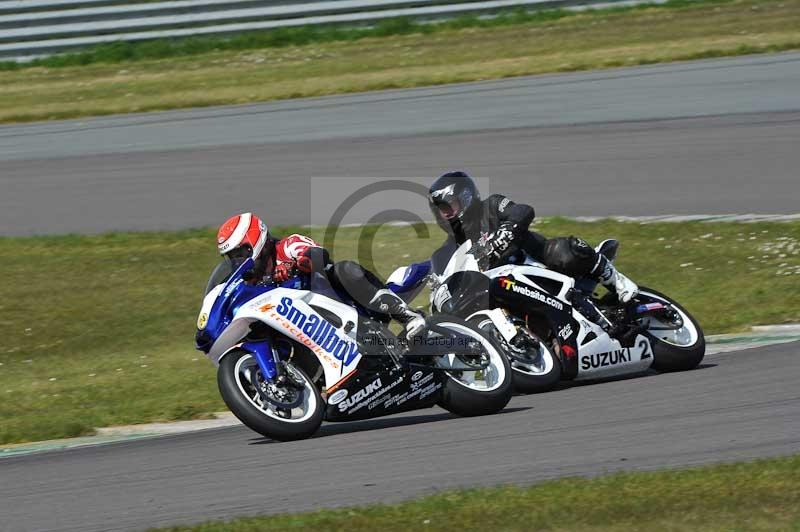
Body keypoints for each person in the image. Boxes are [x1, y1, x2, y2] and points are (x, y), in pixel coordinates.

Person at [427, 171, 639, 316]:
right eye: (440, 210)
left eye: (448, 207)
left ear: (466, 198)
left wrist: (506, 232)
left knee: (562, 251)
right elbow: (443, 286)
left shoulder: (490, 206)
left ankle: (617, 281)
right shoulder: (444, 253)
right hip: (503, 293)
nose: (445, 215)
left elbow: (522, 210)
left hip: (540, 266)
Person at [215, 213, 425, 333]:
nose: (238, 260)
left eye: (240, 252)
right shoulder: (249, 281)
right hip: (309, 329)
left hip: (343, 307)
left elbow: (317, 255)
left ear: (255, 241)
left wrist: (296, 266)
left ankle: (407, 316)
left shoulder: (287, 246)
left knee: (343, 269)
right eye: (232, 257)